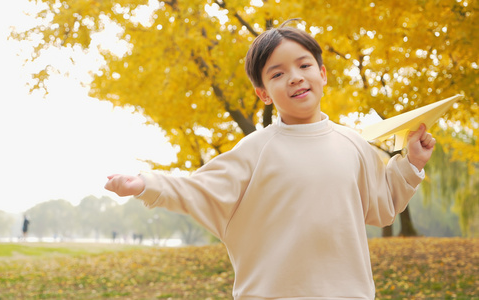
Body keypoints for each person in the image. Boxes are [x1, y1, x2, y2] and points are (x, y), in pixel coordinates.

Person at [105, 20, 435, 299]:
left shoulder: (352, 143)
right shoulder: (255, 150)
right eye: (277, 74)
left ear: (322, 74)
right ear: (263, 93)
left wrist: (412, 163)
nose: (295, 77)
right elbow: (199, 189)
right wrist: (146, 184)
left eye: (304, 65)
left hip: (348, 293)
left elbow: (383, 204)